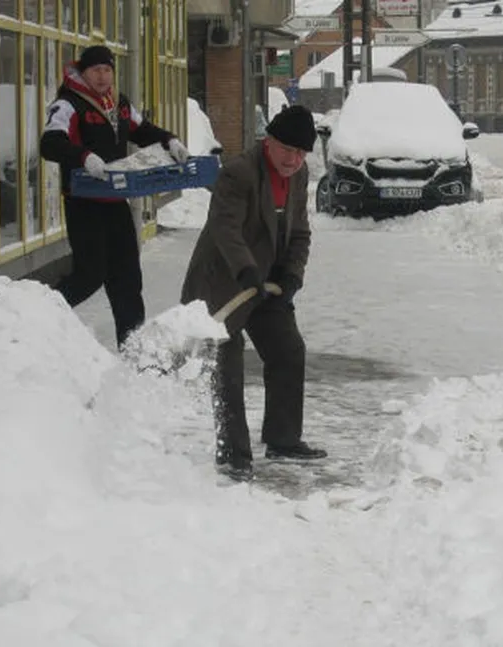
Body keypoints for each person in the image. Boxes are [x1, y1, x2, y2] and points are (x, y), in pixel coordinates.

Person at [180, 105, 326, 482]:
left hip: (268, 283)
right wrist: (245, 270)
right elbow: (225, 229)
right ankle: (234, 454)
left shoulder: (298, 174)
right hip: (224, 283)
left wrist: (291, 276)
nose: (294, 160)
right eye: (287, 151)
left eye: (301, 153)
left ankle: (283, 438)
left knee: (288, 349)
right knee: (229, 366)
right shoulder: (239, 173)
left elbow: (300, 233)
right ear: (269, 142)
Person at [40, 45, 188, 349]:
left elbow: (141, 129)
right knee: (89, 275)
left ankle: (134, 353)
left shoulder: (117, 104)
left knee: (128, 281)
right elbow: (49, 143)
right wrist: (82, 157)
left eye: (108, 70)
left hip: (116, 202)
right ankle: (36, 314)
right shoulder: (68, 104)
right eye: (96, 70)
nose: (103, 76)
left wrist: (169, 140)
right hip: (83, 203)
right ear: (84, 72)